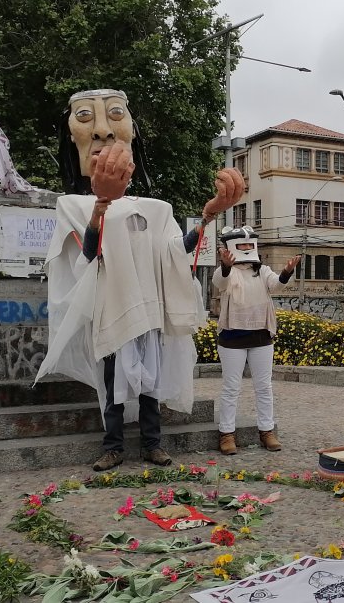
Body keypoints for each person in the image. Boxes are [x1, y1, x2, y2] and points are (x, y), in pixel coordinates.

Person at [39, 88, 243, 471]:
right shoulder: (74, 204)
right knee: (113, 385)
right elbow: (87, 253)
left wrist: (208, 218)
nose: (104, 139)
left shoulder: (157, 207)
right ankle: (113, 446)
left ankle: (153, 444)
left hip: (149, 308)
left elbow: (175, 250)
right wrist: (100, 205)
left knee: (150, 384)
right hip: (113, 306)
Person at [211, 227, 299, 455]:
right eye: (242, 245)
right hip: (231, 337)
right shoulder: (226, 272)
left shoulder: (263, 271)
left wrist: (287, 272)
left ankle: (267, 431)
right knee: (231, 387)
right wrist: (226, 265)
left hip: (261, 335)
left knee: (264, 386)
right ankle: (227, 434)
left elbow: (276, 285)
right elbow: (219, 282)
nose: (247, 248)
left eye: (250, 245)